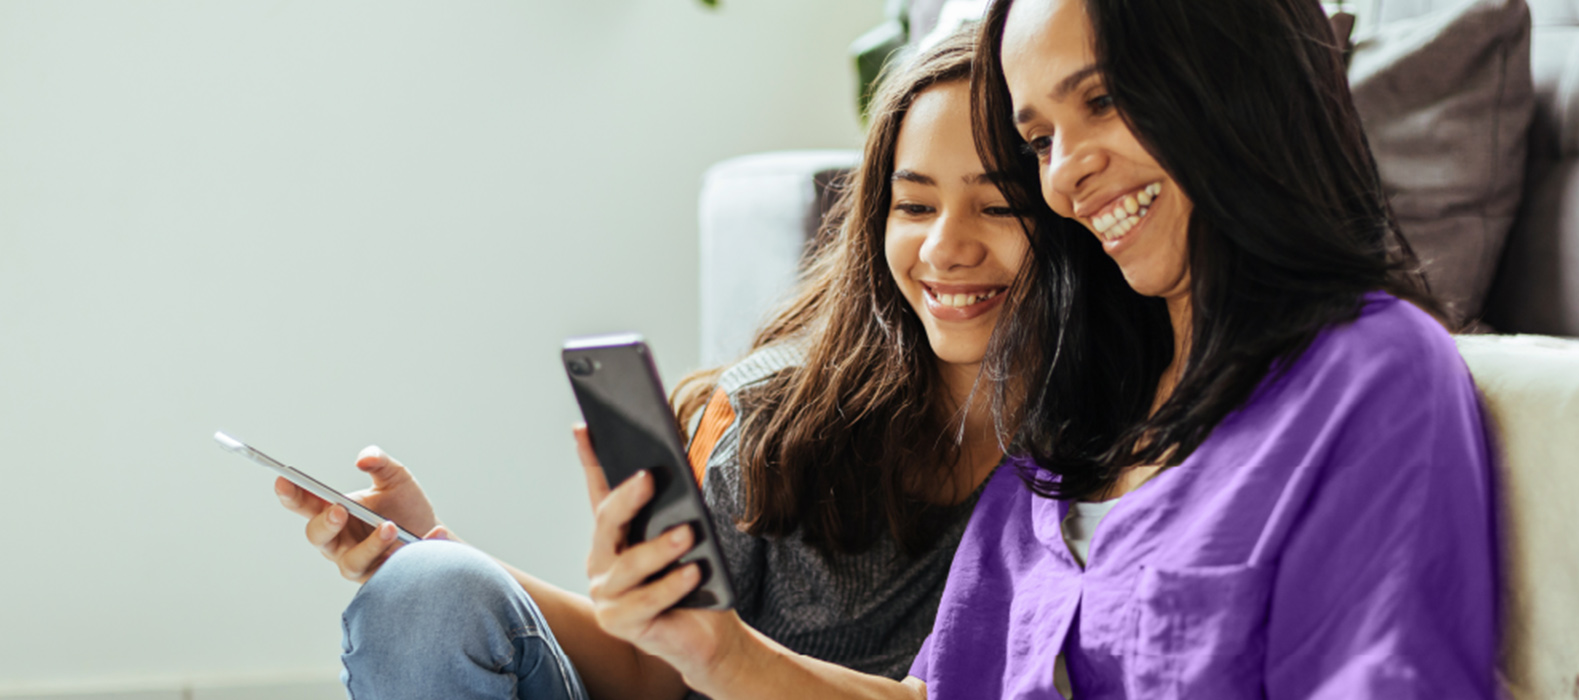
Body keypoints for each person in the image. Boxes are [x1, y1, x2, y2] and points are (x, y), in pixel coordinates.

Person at [584, 0, 1499, 698]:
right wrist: (720, 651)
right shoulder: (1076, 419)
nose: (1064, 173)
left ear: (1229, 79)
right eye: (1040, 139)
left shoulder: (1371, 379)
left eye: (1101, 101)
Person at [272, 28, 1027, 700]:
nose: (945, 249)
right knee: (424, 589)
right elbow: (657, 665)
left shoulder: (1104, 460)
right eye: (915, 207)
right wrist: (435, 549)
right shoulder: (771, 419)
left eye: (998, 206)